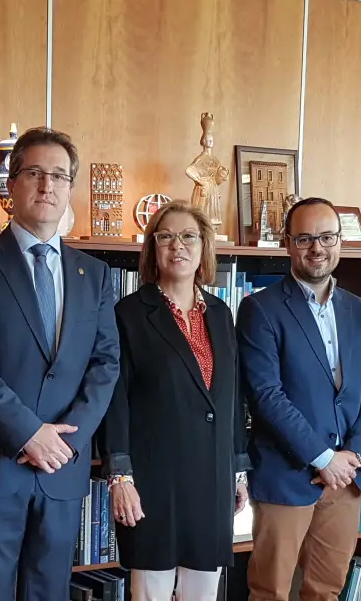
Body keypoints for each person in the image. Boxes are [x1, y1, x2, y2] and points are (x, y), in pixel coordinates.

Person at [0, 127, 120, 601]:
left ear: (70, 188)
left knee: (49, 593)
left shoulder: (95, 273)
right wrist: (27, 432)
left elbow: (105, 364)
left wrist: (64, 441)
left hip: (62, 467)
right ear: (12, 184)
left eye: (59, 176)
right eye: (35, 173)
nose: (47, 185)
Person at [236, 197, 361, 601]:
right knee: (270, 591)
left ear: (340, 241)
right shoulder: (259, 309)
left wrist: (353, 455)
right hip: (287, 473)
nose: (317, 248)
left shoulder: (360, 311)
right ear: (288, 243)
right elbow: (266, 395)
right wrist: (323, 458)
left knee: (326, 590)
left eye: (327, 237)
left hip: (347, 477)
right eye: (305, 238)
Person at [102, 200, 250, 601]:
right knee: (151, 592)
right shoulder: (129, 313)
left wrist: (238, 471)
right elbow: (115, 401)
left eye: (188, 236)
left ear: (204, 247)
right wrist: (120, 477)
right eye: (165, 237)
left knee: (203, 593)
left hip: (211, 479)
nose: (177, 245)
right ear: (152, 249)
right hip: (153, 481)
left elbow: (231, 396)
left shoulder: (221, 313)